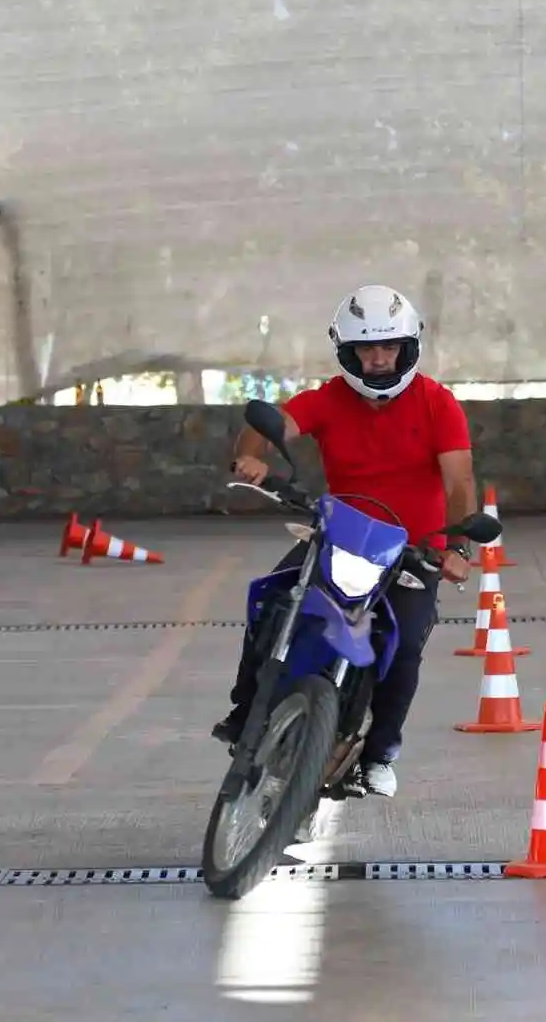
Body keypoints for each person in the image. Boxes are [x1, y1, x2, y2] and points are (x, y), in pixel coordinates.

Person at [213, 283, 477, 798]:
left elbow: (460, 482)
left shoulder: (438, 405)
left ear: (408, 348)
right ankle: (247, 708)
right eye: (366, 349)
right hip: (339, 537)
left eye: (389, 347)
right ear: (347, 351)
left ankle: (379, 753)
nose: (378, 360)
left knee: (404, 648)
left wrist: (458, 547)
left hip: (413, 550)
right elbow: (268, 426)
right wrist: (252, 455)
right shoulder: (328, 398)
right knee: (272, 599)